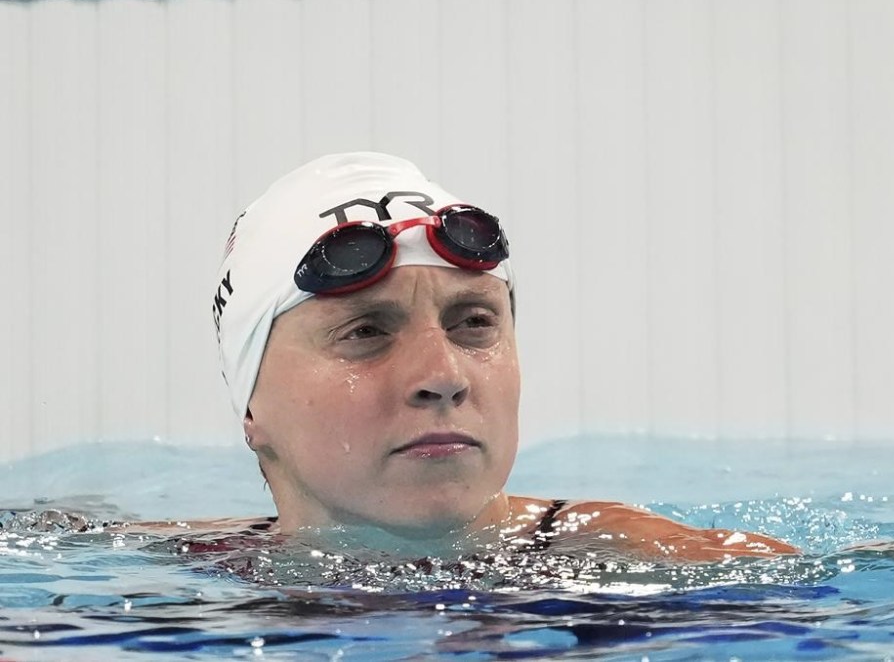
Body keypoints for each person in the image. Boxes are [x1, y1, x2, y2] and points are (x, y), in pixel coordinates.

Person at [206, 151, 797, 563]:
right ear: (251, 405)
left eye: (474, 324)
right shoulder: (168, 569)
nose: (442, 376)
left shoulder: (684, 572)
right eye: (365, 332)